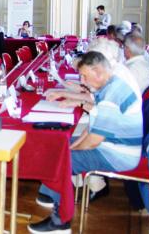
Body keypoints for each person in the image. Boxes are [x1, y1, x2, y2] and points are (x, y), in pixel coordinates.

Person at [29, 51, 142, 234]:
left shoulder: (113, 93)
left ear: (98, 71)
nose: (82, 81)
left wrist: (69, 152)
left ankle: (60, 223)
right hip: (112, 146)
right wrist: (70, 146)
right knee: (56, 147)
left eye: (84, 76)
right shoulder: (110, 84)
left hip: (117, 155)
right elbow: (93, 125)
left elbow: (93, 141)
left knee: (61, 161)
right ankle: (52, 192)